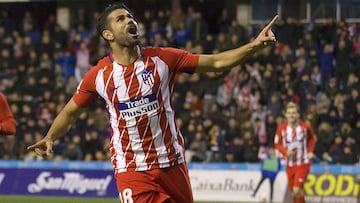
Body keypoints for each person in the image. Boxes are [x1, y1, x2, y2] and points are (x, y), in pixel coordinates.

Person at [28, 2, 278, 203]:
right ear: (108, 35)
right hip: (132, 168)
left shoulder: (164, 59)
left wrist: (255, 46)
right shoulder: (99, 76)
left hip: (173, 164)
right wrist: (50, 136)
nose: (129, 20)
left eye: (129, 16)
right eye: (120, 19)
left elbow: (216, 63)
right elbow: (70, 113)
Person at [274, 102, 316, 203]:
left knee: (297, 190)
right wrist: (285, 151)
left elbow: (312, 139)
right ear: (286, 115)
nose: (291, 115)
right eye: (289, 113)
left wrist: (310, 151)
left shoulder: (306, 127)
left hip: (303, 163)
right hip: (290, 165)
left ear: (298, 114)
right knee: (295, 192)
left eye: (294, 113)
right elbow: (277, 144)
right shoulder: (281, 129)